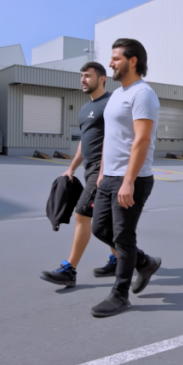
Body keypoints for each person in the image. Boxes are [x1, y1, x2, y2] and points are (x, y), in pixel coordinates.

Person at [89, 38, 163, 318]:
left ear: (133, 61)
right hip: (109, 176)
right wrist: (102, 172)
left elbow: (142, 140)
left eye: (116, 58)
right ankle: (144, 262)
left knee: (123, 236)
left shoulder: (143, 94)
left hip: (132, 178)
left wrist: (128, 181)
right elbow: (111, 135)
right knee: (100, 230)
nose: (111, 63)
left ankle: (120, 295)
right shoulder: (118, 94)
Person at [40, 62, 119, 288]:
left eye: (87, 76)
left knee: (82, 214)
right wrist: (72, 168)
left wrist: (104, 170)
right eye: (81, 76)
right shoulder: (86, 109)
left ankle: (69, 269)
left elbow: (114, 138)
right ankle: (118, 258)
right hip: (90, 168)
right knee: (106, 219)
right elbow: (84, 142)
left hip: (105, 168)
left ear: (102, 78)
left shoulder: (112, 103)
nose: (83, 80)